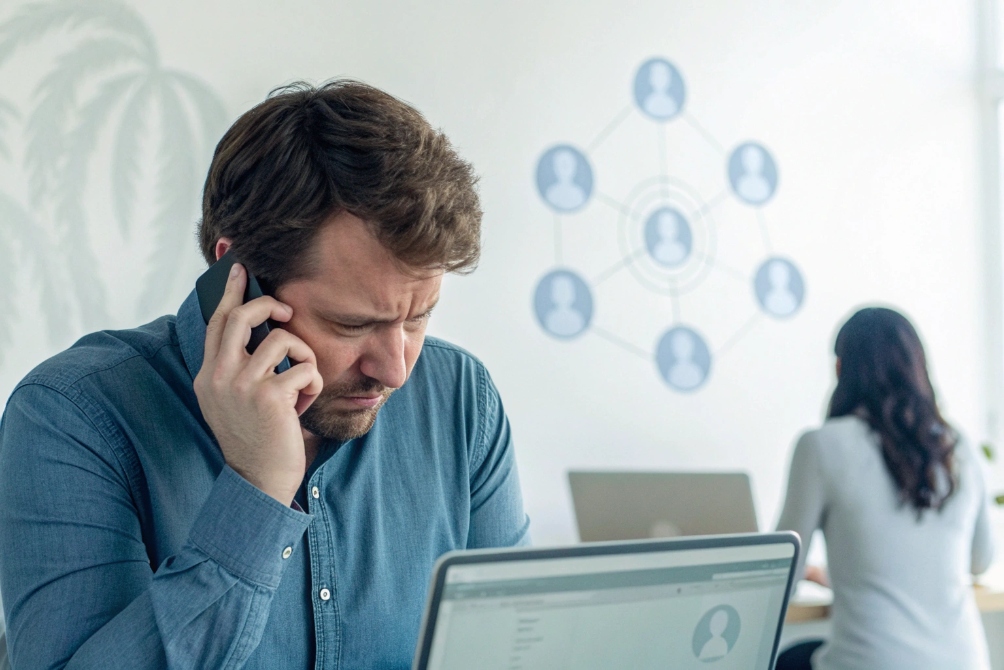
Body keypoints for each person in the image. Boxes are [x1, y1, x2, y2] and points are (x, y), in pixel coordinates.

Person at [0, 80, 531, 669]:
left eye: (418, 317)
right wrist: (255, 493)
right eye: (352, 324)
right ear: (237, 278)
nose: (396, 370)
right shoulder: (74, 416)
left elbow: (515, 650)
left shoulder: (460, 399)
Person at [776, 307, 993, 669]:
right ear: (919, 369)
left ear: (841, 370)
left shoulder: (822, 445)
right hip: (965, 662)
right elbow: (980, 560)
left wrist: (823, 574)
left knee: (788, 660)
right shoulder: (956, 447)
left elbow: (782, 574)